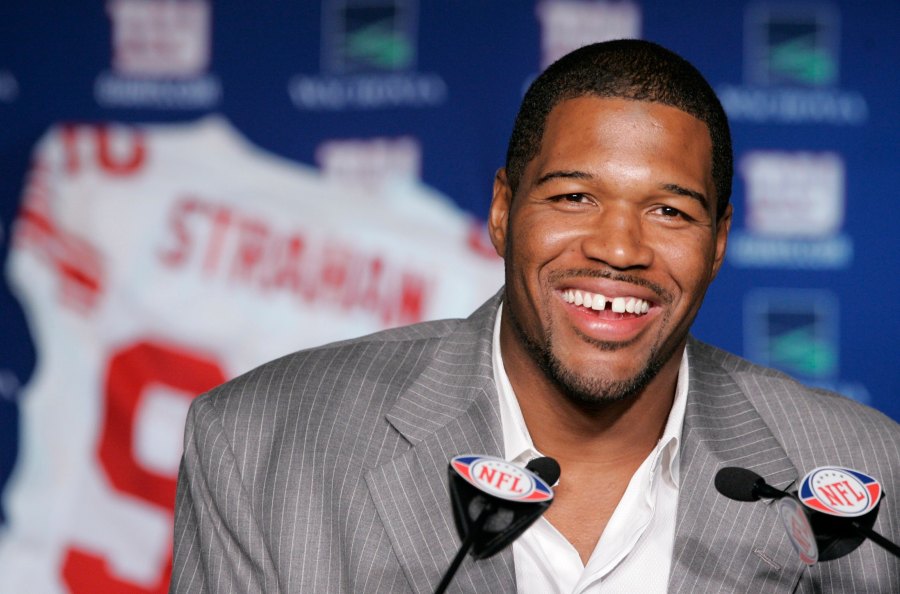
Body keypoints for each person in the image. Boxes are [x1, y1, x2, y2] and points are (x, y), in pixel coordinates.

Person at [170, 40, 900, 593]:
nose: (619, 249)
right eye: (574, 197)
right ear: (502, 211)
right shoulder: (258, 446)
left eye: (670, 211)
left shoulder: (870, 473)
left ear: (718, 244)